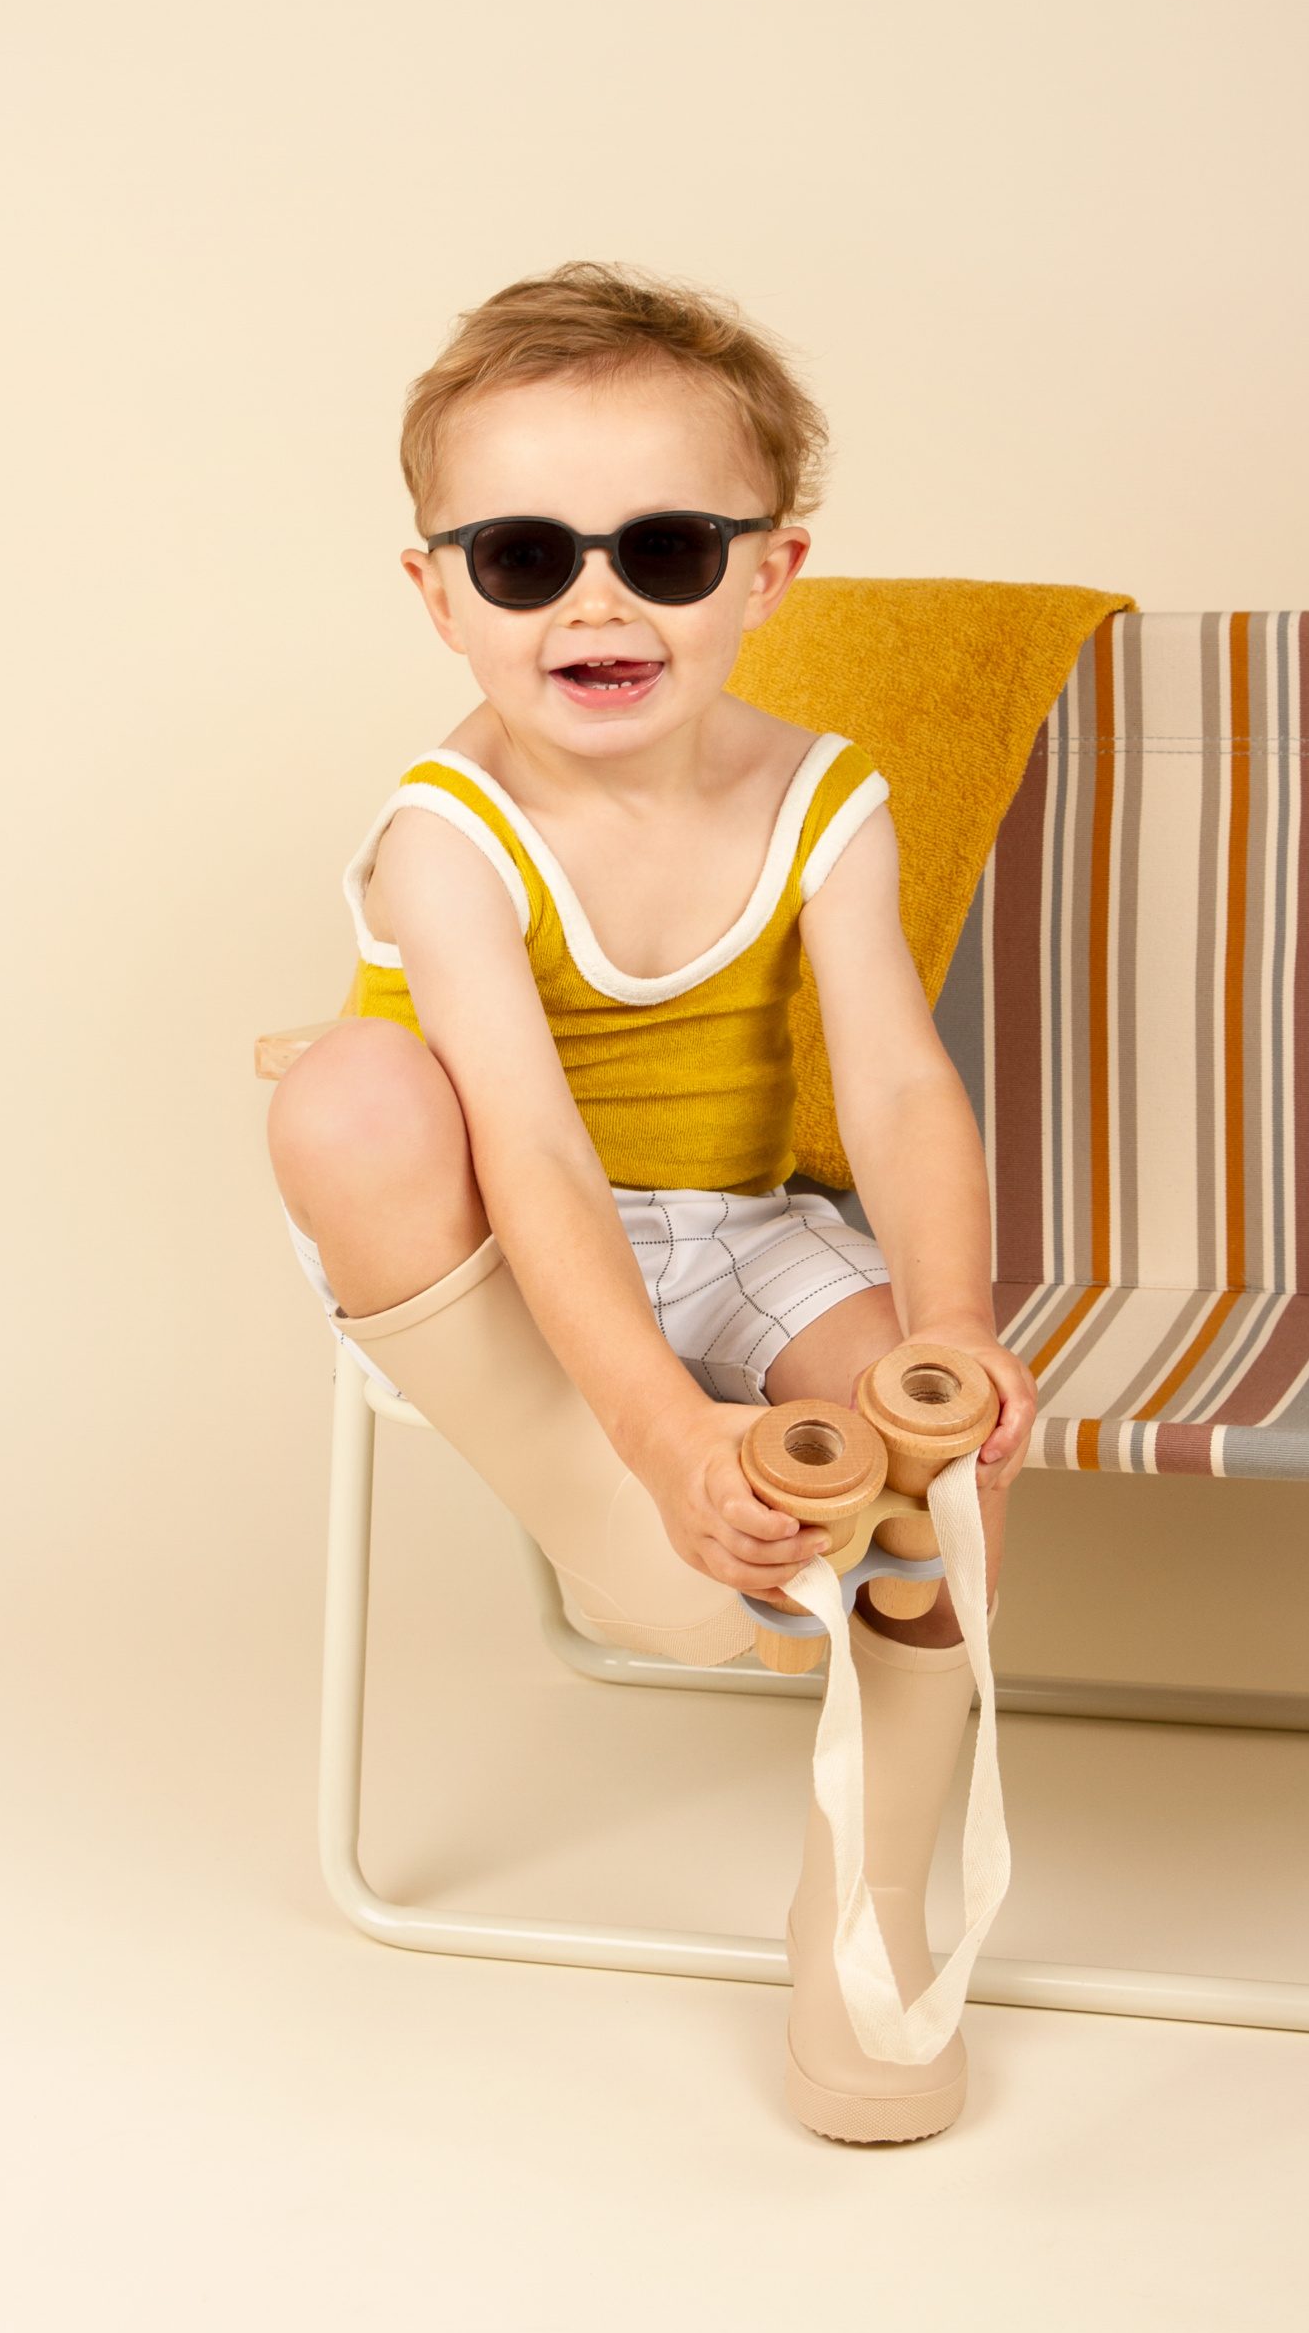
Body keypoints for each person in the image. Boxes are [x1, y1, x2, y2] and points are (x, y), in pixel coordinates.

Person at [265, 259, 1036, 2143]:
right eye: (526, 558)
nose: (597, 602)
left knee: (941, 1465)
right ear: (441, 595)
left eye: (668, 549)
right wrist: (663, 1432)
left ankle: (866, 1903)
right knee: (352, 1092)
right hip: (507, 1240)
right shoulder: (449, 835)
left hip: (742, 1223)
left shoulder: (824, 794)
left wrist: (951, 1335)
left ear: (770, 574)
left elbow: (896, 1083)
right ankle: (615, 1513)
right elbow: (529, 1152)